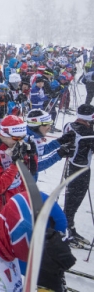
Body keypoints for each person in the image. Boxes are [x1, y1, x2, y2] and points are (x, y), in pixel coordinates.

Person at [62, 103, 94, 246]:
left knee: (71, 201)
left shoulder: (70, 125)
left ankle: (69, 228)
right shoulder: (88, 132)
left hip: (71, 167)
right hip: (81, 170)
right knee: (72, 203)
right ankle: (66, 231)